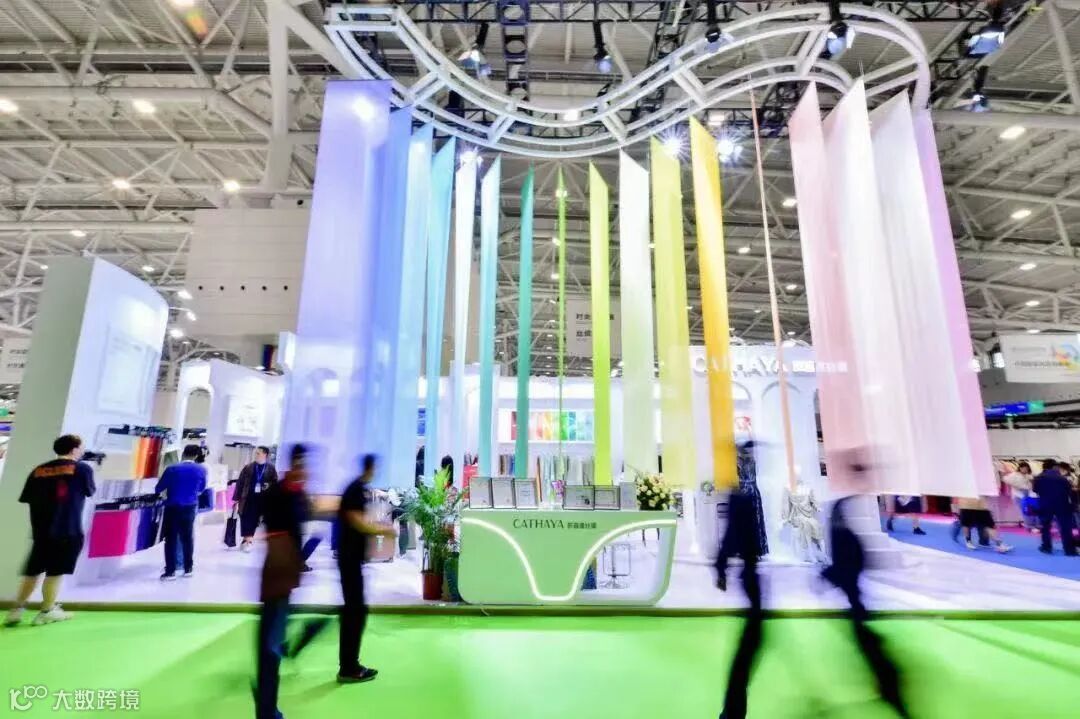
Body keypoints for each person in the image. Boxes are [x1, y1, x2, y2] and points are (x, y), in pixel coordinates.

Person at [823, 456, 910, 719]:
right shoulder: (842, 506)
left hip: (849, 576)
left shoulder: (844, 507)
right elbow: (848, 546)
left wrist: (835, 573)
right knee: (861, 623)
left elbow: (848, 546)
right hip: (850, 577)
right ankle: (887, 680)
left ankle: (889, 684)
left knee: (861, 626)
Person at [256, 444, 329, 719]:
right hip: (277, 575)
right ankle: (266, 710)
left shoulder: (296, 493)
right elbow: (276, 538)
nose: (306, 471)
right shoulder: (279, 494)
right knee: (269, 648)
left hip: (286, 576)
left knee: (273, 640)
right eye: (302, 464)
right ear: (295, 464)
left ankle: (267, 704)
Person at [4, 435, 96, 626]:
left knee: (33, 572)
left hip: (41, 531)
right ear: (74, 449)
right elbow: (90, 491)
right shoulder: (82, 469)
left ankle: (16, 611)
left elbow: (27, 497)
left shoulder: (38, 470)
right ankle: (47, 610)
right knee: (55, 572)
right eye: (80, 447)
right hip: (68, 529)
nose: (82, 451)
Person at [336, 454, 395, 684]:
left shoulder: (357, 489)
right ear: (370, 468)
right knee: (355, 611)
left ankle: (350, 664)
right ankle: (349, 667)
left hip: (352, 559)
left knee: (356, 610)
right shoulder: (355, 490)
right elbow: (357, 522)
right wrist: (384, 530)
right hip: (348, 559)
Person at [714, 487, 765, 719]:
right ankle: (733, 713)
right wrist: (721, 568)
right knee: (746, 652)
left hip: (752, 579)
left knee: (747, 651)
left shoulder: (742, 504)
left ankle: (733, 712)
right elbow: (731, 538)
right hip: (752, 579)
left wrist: (721, 569)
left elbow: (729, 539)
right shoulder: (744, 505)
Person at [155, 444, 208, 580]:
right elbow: (201, 488)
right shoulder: (201, 470)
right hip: (190, 507)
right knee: (187, 538)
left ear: (183, 453)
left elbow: (159, 487)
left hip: (172, 507)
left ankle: (170, 572)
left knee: (171, 539)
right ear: (196, 456)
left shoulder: (172, 468)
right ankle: (188, 569)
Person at [235, 446, 279, 552]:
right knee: (245, 518)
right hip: (247, 498)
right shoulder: (248, 467)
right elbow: (240, 482)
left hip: (261, 499)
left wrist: (269, 485)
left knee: (254, 520)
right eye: (256, 453)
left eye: (258, 453)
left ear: (265, 455)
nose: (256, 455)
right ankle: (247, 540)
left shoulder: (271, 468)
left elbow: (275, 482)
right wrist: (236, 497)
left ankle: (247, 541)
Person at [1032, 459, 1078, 556]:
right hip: (1062, 504)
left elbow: (1035, 490)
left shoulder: (1039, 477)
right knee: (1065, 527)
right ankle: (1069, 550)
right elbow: (1069, 491)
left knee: (1045, 527)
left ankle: (1046, 547)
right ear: (1054, 467)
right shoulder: (1062, 478)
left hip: (1045, 504)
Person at [1001, 461, 1037, 531]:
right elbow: (1005, 479)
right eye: (1023, 468)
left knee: (1030, 511)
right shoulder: (1014, 475)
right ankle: (1030, 526)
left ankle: (1031, 525)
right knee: (1025, 511)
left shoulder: (1029, 475)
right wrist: (1017, 485)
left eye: (1026, 468)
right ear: (1020, 468)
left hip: (1028, 494)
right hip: (1018, 495)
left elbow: (1032, 485)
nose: (1024, 470)